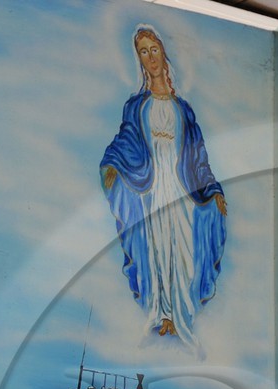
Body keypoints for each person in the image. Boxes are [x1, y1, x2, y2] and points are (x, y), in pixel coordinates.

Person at [99, 26, 228, 346]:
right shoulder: (135, 106)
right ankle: (161, 314)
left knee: (184, 251)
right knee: (155, 250)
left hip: (181, 187)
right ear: (139, 60)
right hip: (151, 190)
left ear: (163, 53)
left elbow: (197, 156)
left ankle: (180, 313)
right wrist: (113, 165)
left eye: (153, 49)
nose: (150, 57)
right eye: (143, 51)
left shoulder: (183, 109)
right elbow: (125, 141)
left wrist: (212, 190)